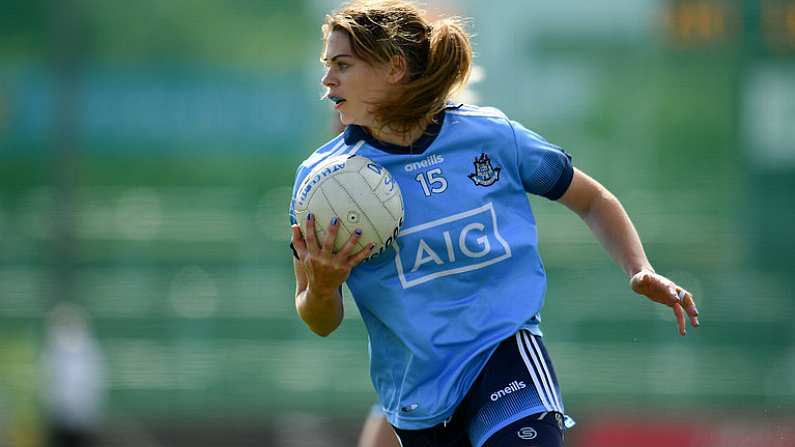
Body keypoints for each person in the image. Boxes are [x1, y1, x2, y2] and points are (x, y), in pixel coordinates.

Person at [288, 1, 700, 446]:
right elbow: (319, 320)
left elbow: (592, 199)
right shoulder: (322, 187)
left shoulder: (490, 138)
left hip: (505, 355)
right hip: (418, 399)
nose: (327, 79)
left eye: (342, 65)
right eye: (327, 65)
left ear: (394, 68)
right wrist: (324, 287)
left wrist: (639, 268)